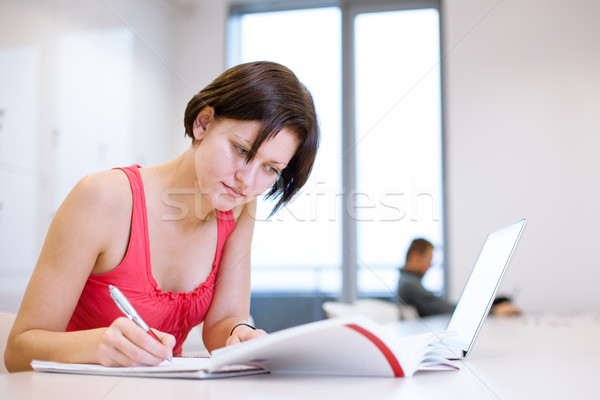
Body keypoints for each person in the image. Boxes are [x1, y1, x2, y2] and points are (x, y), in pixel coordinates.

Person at [4, 61, 320, 372]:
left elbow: (222, 322)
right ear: (203, 123)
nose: (247, 181)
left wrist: (239, 335)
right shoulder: (102, 198)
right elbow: (18, 351)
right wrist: (95, 346)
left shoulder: (241, 210)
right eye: (240, 149)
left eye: (270, 169)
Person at [397, 238, 521, 318]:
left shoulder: (407, 282)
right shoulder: (409, 285)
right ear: (415, 257)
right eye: (429, 259)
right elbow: (443, 308)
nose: (431, 265)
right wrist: (493, 312)